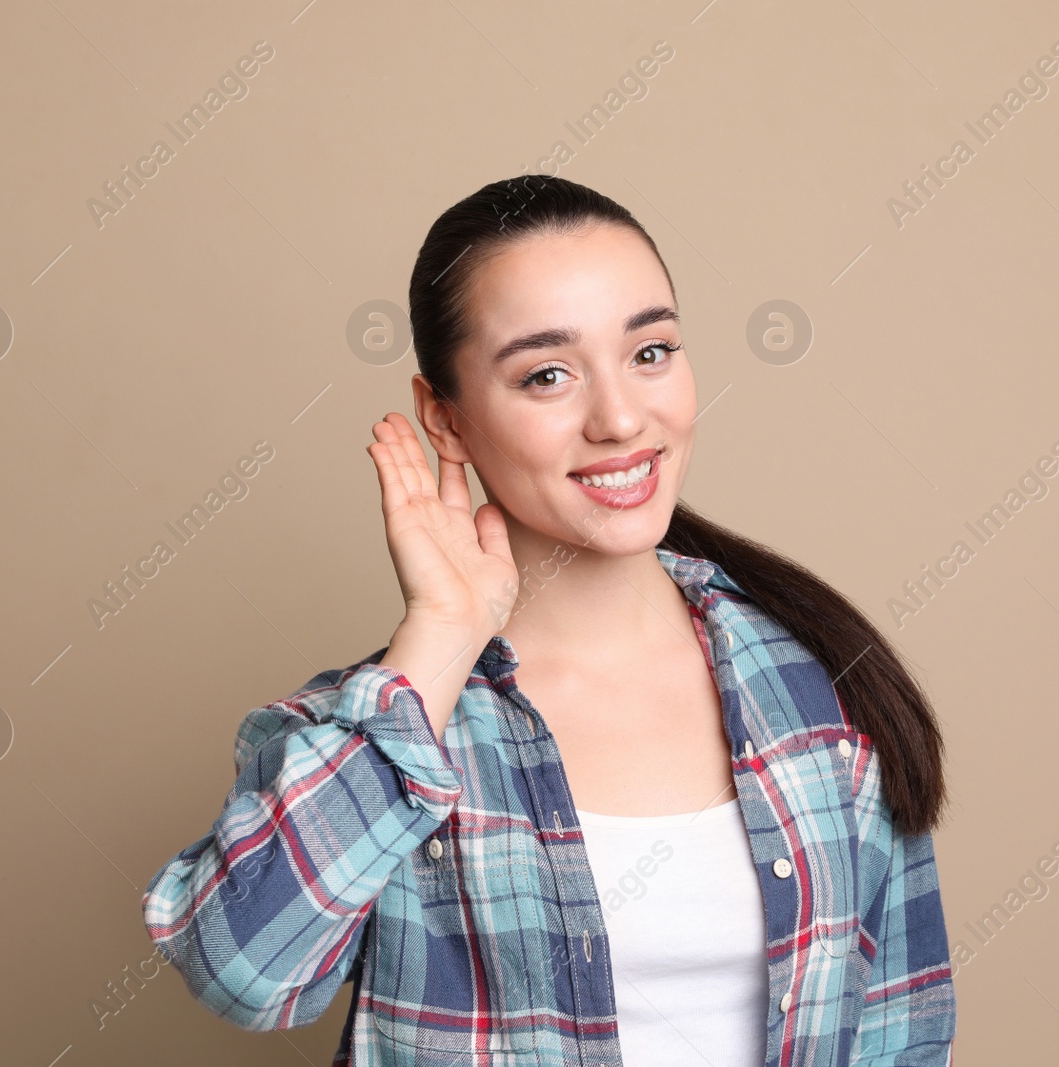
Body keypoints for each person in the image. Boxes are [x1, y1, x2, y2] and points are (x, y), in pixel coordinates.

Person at [142, 175, 957, 1065]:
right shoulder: (377, 728)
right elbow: (242, 973)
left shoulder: (820, 682)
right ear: (444, 420)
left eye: (651, 352)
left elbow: (902, 1036)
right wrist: (443, 639)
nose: (618, 417)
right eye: (548, 375)